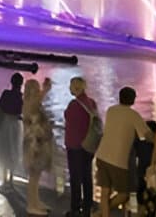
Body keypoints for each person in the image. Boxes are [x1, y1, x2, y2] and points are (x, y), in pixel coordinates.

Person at [95, 86, 151, 217]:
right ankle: (99, 213)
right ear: (132, 100)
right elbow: (147, 135)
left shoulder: (111, 110)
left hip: (102, 155)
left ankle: (102, 213)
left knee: (105, 192)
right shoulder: (133, 115)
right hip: (118, 160)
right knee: (124, 194)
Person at [64, 76, 98, 217]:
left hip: (75, 146)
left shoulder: (74, 104)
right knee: (87, 176)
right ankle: (87, 206)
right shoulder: (91, 103)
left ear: (76, 88)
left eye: (71, 86)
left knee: (75, 178)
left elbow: (67, 118)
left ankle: (75, 208)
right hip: (89, 145)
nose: (69, 88)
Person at [22, 77, 54, 214]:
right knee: (34, 175)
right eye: (36, 88)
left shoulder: (31, 104)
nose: (38, 90)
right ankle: (31, 204)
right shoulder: (30, 104)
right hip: (32, 143)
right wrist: (46, 90)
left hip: (37, 141)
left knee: (36, 175)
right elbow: (37, 103)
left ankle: (35, 201)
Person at [0, 72, 24, 186]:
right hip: (15, 124)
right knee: (13, 150)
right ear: (21, 84)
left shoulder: (6, 94)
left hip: (4, 123)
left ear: (11, 82)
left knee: (3, 150)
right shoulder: (21, 97)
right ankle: (11, 178)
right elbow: (21, 112)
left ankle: (4, 179)